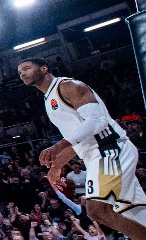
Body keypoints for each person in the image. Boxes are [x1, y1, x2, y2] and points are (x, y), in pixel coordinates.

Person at [18, 57, 146, 240]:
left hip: (109, 148)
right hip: (96, 154)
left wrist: (59, 145)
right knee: (134, 212)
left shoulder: (69, 86)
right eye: (19, 71)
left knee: (97, 210)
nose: (22, 73)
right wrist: (56, 167)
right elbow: (78, 140)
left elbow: (97, 121)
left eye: (26, 68)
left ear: (44, 69)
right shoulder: (49, 99)